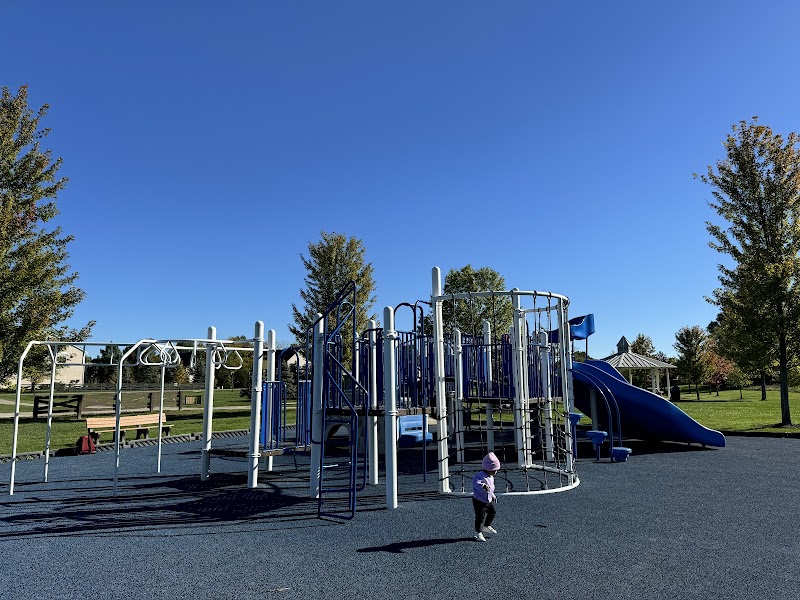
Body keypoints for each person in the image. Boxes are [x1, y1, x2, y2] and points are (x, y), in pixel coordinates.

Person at [472, 451, 500, 542]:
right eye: (495, 470)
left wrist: (493, 495)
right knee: (480, 516)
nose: (496, 471)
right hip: (479, 500)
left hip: (488, 500)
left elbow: (490, 489)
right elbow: (476, 483)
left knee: (492, 512)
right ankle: (478, 532)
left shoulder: (491, 477)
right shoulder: (480, 476)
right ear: (489, 469)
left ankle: (486, 525)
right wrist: (483, 485)